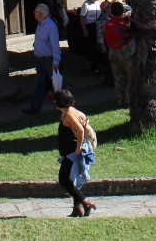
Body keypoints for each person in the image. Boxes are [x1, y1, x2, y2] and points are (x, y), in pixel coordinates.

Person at [53, 88, 96, 217]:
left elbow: (80, 131)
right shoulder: (72, 111)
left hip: (71, 152)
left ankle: (85, 202)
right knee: (74, 180)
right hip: (71, 152)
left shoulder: (69, 114)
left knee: (64, 180)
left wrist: (77, 148)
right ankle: (77, 208)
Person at [22, 4, 62, 115]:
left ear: (41, 14)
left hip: (49, 60)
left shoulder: (50, 26)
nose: (34, 13)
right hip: (40, 59)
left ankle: (65, 106)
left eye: (36, 11)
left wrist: (56, 61)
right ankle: (34, 108)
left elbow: (55, 45)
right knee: (40, 84)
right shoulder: (40, 24)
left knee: (58, 85)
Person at [103, 2, 132, 106]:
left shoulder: (107, 24)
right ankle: (128, 100)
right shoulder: (124, 24)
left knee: (118, 78)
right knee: (131, 76)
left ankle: (120, 100)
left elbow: (106, 37)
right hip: (123, 51)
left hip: (112, 51)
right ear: (122, 11)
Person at [79, 0, 105, 74]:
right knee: (93, 48)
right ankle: (94, 67)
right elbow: (82, 18)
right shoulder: (86, 5)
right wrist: (84, 29)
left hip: (97, 25)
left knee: (99, 45)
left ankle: (99, 64)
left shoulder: (97, 3)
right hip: (90, 26)